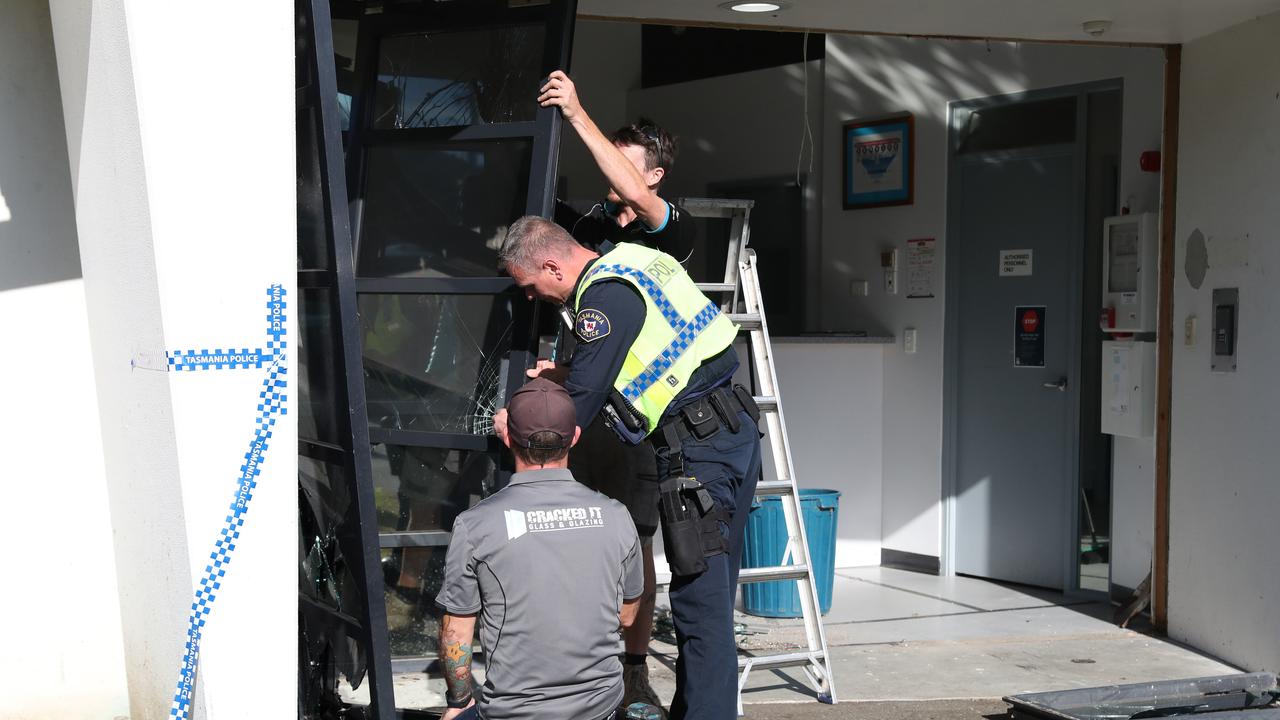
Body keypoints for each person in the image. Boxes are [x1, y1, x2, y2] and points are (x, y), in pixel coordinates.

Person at [493, 216, 763, 720]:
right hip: (732, 432)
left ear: (551, 265)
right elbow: (653, 354)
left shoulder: (601, 300)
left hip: (698, 454)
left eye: (530, 285)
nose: (531, 297)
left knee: (701, 609)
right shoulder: (633, 260)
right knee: (711, 602)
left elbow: (579, 407)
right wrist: (571, 370)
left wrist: (517, 427)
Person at [539, 69, 694, 711]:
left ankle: (633, 675)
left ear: (652, 175)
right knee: (571, 537)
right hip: (581, 409)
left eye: (625, 164)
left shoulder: (665, 224)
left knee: (635, 544)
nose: (613, 177)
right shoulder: (595, 225)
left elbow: (630, 189)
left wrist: (577, 111)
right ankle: (575, 662)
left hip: (637, 420)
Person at [436, 378, 645, 720]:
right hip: (600, 708)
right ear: (575, 437)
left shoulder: (475, 525)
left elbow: (456, 633)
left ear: (507, 438)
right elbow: (627, 615)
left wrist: (459, 703)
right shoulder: (617, 516)